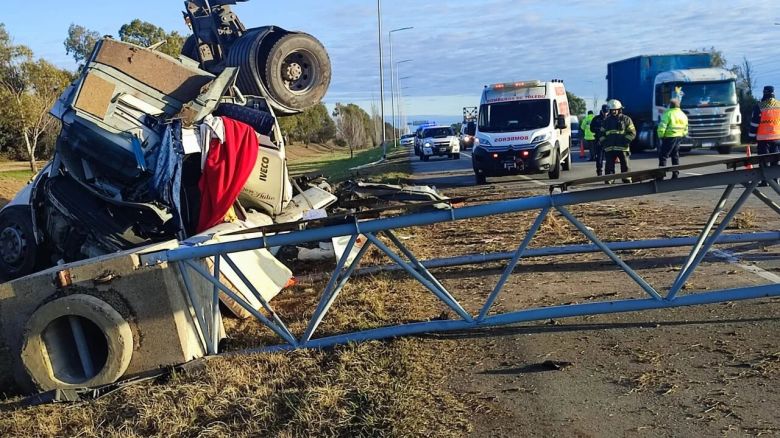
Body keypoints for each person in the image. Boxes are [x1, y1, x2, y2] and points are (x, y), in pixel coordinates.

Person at [599, 99, 636, 184]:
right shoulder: (606, 121)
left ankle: (626, 177)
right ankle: (610, 178)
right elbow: (601, 134)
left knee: (625, 164)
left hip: (622, 147)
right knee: (609, 165)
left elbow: (632, 132)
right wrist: (605, 143)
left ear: (619, 109)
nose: (614, 111)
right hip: (610, 147)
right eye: (612, 110)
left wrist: (625, 141)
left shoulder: (626, 119)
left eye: (615, 110)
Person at [749, 85, 780, 186]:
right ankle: (775, 180)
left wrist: (752, 137)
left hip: (763, 139)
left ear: (764, 93)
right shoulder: (779, 105)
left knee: (764, 160)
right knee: (775, 159)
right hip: (777, 137)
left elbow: (754, 123)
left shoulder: (759, 106)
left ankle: (764, 181)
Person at [657, 98, 688, 179]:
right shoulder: (683, 114)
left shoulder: (668, 113)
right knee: (675, 155)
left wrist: (661, 135)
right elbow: (686, 128)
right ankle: (675, 174)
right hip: (679, 137)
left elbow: (662, 125)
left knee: (663, 156)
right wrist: (682, 134)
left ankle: (661, 175)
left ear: (670, 105)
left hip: (669, 137)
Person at [589, 104, 609, 176]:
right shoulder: (596, 119)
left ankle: (608, 172)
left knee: (609, 158)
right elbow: (591, 129)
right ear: (602, 111)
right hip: (599, 141)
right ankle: (599, 172)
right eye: (604, 112)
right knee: (599, 157)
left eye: (607, 112)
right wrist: (598, 129)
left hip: (608, 141)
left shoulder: (610, 118)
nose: (605, 113)